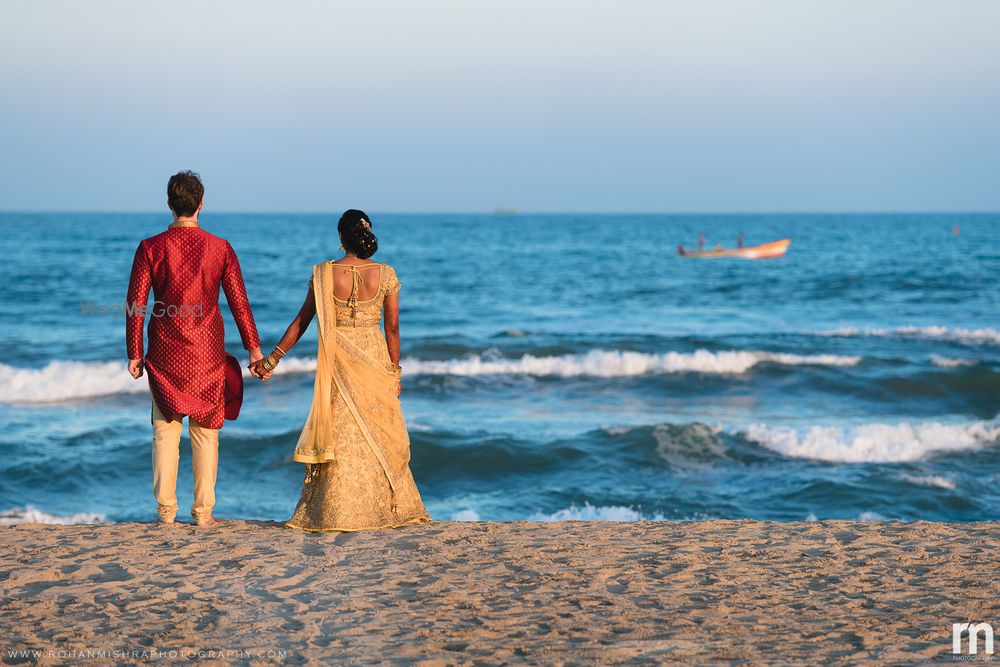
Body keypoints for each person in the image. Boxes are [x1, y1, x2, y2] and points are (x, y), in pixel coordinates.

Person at [254, 209, 431, 532]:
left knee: (343, 434)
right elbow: (392, 329)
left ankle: (334, 512)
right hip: (375, 359)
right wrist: (395, 370)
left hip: (339, 359)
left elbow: (301, 321)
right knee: (378, 431)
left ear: (340, 238)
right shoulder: (386, 273)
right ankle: (386, 510)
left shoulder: (323, 274)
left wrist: (272, 359)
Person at [125, 171, 263, 527]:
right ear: (201, 204)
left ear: (169, 205)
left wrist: (134, 352)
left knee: (165, 431)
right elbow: (239, 304)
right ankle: (203, 513)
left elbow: (136, 305)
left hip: (165, 352)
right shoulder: (221, 248)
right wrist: (254, 349)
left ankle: (166, 514)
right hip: (206, 352)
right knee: (206, 432)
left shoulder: (150, 248)